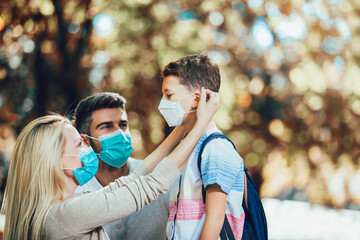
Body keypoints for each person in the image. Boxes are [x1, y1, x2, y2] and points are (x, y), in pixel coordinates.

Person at [0, 88, 219, 239]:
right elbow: (148, 186)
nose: (87, 150)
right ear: (55, 160)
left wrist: (181, 129)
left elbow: (133, 180)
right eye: (79, 145)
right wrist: (201, 124)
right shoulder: (65, 214)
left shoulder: (56, 210)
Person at [159, 54, 245, 240]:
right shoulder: (187, 147)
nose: (162, 103)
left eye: (169, 95)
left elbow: (215, 218)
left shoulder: (215, 148)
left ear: (196, 98)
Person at [73, 92, 169, 239]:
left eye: (123, 125)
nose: (119, 133)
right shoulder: (76, 192)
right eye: (107, 126)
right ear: (85, 140)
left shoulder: (157, 177)